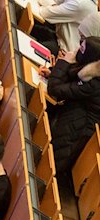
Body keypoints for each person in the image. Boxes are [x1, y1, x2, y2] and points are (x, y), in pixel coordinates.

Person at [44, 37, 100, 195]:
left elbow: (55, 89)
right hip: (72, 116)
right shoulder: (91, 72)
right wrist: (53, 72)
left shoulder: (94, 83)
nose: (75, 51)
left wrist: (64, 62)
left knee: (48, 165)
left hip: (75, 129)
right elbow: (69, 82)